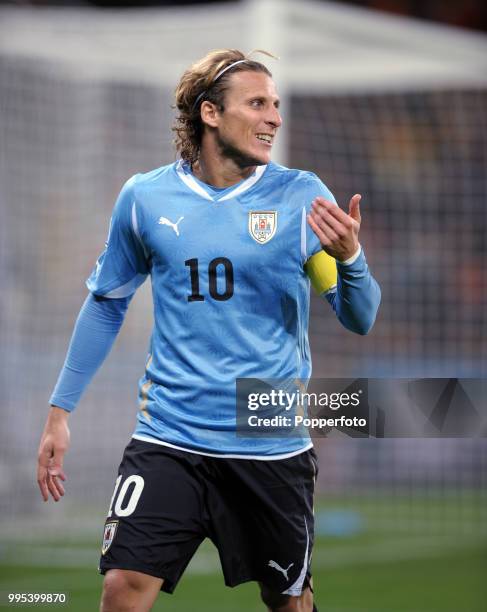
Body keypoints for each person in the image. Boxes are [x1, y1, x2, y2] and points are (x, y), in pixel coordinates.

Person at [37, 49, 381, 612]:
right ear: (210, 114)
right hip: (169, 436)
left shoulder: (299, 196)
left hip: (268, 439)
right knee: (121, 589)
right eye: (257, 103)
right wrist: (60, 412)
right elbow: (106, 304)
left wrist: (351, 257)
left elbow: (359, 316)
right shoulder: (145, 199)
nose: (274, 117)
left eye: (276, 104)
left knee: (289, 602)